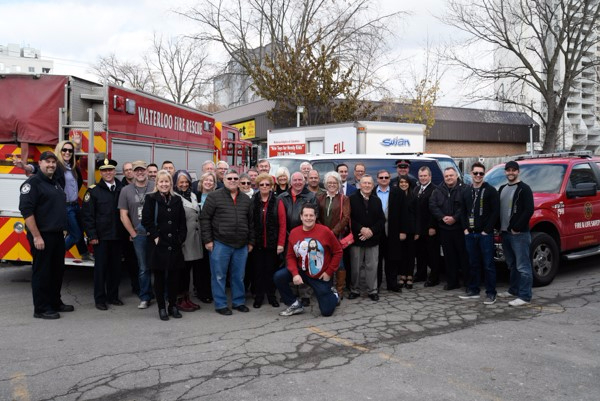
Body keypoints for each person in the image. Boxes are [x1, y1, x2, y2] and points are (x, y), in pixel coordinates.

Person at [19, 151, 73, 319]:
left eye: (53, 162)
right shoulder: (32, 183)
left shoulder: (54, 182)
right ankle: (41, 308)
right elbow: (27, 212)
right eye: (47, 162)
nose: (51, 165)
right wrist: (36, 236)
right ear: (40, 164)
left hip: (56, 235)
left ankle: (55, 302)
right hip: (42, 235)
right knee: (42, 272)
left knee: (57, 271)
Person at [200, 169, 255, 315]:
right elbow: (204, 219)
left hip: (241, 245)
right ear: (223, 180)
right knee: (219, 275)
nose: (232, 181)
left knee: (238, 276)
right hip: (220, 243)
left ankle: (238, 302)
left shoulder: (245, 199)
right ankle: (220, 304)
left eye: (235, 178)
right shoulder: (214, 197)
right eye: (229, 178)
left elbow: (251, 223)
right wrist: (208, 240)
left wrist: (251, 242)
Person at [274, 203, 343, 317]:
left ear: (315, 217)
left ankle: (334, 295)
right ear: (301, 217)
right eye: (305, 215)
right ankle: (294, 304)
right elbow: (290, 256)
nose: (308, 218)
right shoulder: (294, 232)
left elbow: (338, 252)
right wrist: (295, 274)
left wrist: (329, 272)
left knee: (326, 312)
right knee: (279, 276)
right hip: (302, 271)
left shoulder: (325, 231)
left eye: (311, 215)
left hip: (320, 276)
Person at [142, 170, 187, 321]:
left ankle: (172, 305)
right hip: (158, 245)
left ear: (171, 183)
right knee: (160, 278)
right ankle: (162, 307)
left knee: (174, 278)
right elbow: (146, 220)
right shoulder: (150, 198)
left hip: (174, 244)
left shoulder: (177, 199)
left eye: (167, 181)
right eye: (161, 182)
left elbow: (182, 222)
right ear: (157, 183)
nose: (164, 184)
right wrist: (155, 237)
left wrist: (180, 239)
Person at [82, 158, 125, 311]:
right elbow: (87, 216)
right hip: (101, 238)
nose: (108, 173)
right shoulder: (93, 191)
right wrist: (92, 236)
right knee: (101, 269)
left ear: (115, 171)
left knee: (116, 269)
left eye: (110, 170)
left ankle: (113, 296)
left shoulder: (122, 188)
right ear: (100, 172)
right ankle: (100, 299)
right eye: (105, 170)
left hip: (118, 237)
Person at [459, 162, 500, 304]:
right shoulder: (466, 191)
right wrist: (465, 229)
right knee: (473, 263)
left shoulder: (490, 190)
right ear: (471, 174)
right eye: (475, 173)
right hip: (470, 234)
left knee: (488, 264)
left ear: (484, 175)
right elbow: (462, 211)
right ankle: (473, 290)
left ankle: (491, 293)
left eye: (481, 173)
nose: (478, 176)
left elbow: (495, 212)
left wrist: (486, 230)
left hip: (484, 235)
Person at [277, 171, 317, 306]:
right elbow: (280, 218)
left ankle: (305, 294)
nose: (298, 182)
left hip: (305, 235)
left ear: (304, 181)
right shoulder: (282, 197)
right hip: (288, 236)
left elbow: (313, 217)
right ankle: (292, 292)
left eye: (300, 180)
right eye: (295, 180)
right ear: (291, 182)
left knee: (305, 264)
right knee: (289, 264)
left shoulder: (310, 196)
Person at [497, 160, 534, 307]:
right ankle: (513, 290)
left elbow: (529, 210)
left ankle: (524, 296)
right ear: (505, 172)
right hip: (505, 233)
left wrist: (517, 227)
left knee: (523, 266)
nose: (510, 172)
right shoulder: (502, 188)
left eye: (513, 170)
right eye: (508, 170)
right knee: (511, 264)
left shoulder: (524, 189)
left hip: (519, 234)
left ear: (518, 171)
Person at [118, 160, 154, 309]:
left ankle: (164, 294)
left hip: (155, 234)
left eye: (142, 170)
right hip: (139, 235)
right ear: (132, 172)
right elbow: (123, 215)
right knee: (143, 267)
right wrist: (133, 233)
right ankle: (145, 296)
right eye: (136, 170)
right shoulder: (126, 190)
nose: (140, 173)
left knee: (160, 265)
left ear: (147, 171)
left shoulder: (155, 186)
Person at [348, 175, 386, 301]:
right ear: (359, 184)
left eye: (369, 183)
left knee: (372, 266)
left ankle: (372, 290)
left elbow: (381, 220)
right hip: (357, 239)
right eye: (364, 183)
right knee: (355, 267)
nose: (367, 185)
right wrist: (361, 229)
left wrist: (371, 231)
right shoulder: (352, 199)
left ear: (372, 185)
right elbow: (349, 219)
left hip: (373, 239)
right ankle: (354, 289)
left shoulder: (376, 200)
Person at [250, 173, 286, 308]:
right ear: (258, 186)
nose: (264, 187)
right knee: (258, 271)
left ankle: (271, 296)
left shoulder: (278, 201)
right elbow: (250, 223)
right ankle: (258, 297)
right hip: (257, 243)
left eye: (267, 184)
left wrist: (281, 243)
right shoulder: (253, 200)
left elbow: (282, 224)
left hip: (272, 243)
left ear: (271, 186)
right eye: (261, 184)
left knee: (271, 271)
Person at [429, 167, 468, 291]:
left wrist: (455, 218)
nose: (449, 178)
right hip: (444, 229)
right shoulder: (437, 190)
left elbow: (465, 207)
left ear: (456, 175)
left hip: (460, 229)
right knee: (449, 257)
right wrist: (442, 217)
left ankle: (468, 283)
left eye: (451, 175)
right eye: (446, 176)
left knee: (464, 257)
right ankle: (452, 282)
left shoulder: (464, 189)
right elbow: (433, 205)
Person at [316, 171, 350, 299]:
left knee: (339, 263)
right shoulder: (320, 197)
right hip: (322, 235)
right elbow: (316, 214)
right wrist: (324, 231)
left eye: (334, 183)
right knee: (324, 262)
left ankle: (340, 289)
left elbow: (346, 217)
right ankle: (326, 288)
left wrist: (333, 232)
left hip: (337, 235)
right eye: (329, 182)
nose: (331, 185)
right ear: (325, 184)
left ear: (339, 184)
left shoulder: (344, 198)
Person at [173, 170, 202, 312]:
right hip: (184, 239)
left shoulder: (193, 195)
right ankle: (179, 299)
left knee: (189, 270)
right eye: (181, 182)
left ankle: (187, 298)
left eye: (186, 182)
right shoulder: (174, 197)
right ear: (175, 183)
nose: (184, 184)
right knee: (181, 271)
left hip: (194, 238)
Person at [413, 166, 441, 287]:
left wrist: (433, 227)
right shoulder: (416, 189)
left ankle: (434, 278)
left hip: (430, 227)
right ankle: (420, 274)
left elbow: (435, 210)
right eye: (421, 176)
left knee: (432, 254)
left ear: (429, 176)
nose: (423, 178)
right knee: (420, 253)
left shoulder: (435, 190)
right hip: (418, 228)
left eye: (425, 176)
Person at [195, 172, 217, 303]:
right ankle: (200, 290)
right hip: (197, 235)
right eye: (206, 180)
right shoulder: (195, 196)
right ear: (201, 182)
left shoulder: (215, 197)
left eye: (211, 181)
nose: (208, 182)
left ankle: (209, 291)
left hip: (211, 235)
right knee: (199, 265)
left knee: (211, 266)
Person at [396, 175, 417, 289]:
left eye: (406, 182)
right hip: (399, 230)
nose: (403, 184)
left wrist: (417, 231)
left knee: (411, 253)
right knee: (401, 254)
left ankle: (409, 275)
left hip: (411, 229)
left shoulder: (413, 196)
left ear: (409, 183)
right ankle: (402, 275)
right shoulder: (395, 196)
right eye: (401, 182)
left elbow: (418, 215)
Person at [375, 169, 393, 290]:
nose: (384, 179)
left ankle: (392, 284)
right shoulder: (371, 192)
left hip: (391, 231)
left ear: (389, 179)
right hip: (376, 232)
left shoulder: (396, 193)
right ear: (377, 179)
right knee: (377, 260)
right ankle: (377, 284)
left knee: (391, 259)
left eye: (386, 177)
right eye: (381, 178)